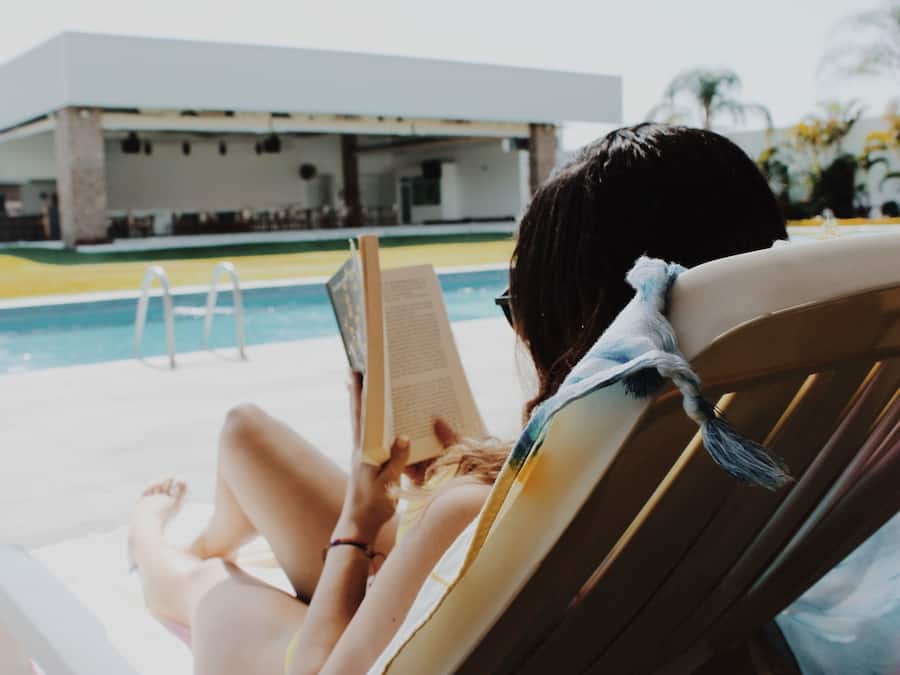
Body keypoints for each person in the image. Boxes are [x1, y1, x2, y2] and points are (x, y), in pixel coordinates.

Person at [128, 124, 787, 675]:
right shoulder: (772, 446)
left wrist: (358, 523)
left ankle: (150, 536)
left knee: (210, 589)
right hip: (521, 599)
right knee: (245, 432)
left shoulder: (474, 519)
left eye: (518, 307)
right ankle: (209, 535)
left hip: (347, 645)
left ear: (570, 323)